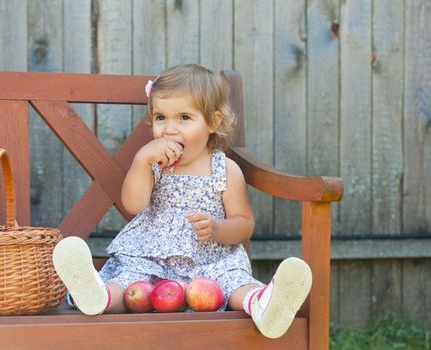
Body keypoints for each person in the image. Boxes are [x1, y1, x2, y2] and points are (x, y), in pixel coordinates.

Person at [52, 64, 312, 339]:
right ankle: (98, 297)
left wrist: (218, 230)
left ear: (212, 122)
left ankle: (262, 303)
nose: (170, 129)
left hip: (208, 261)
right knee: (129, 281)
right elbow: (134, 204)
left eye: (185, 117)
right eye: (161, 117)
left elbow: (244, 223)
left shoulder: (224, 169)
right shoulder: (154, 165)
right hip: (151, 258)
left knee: (232, 280)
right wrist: (141, 160)